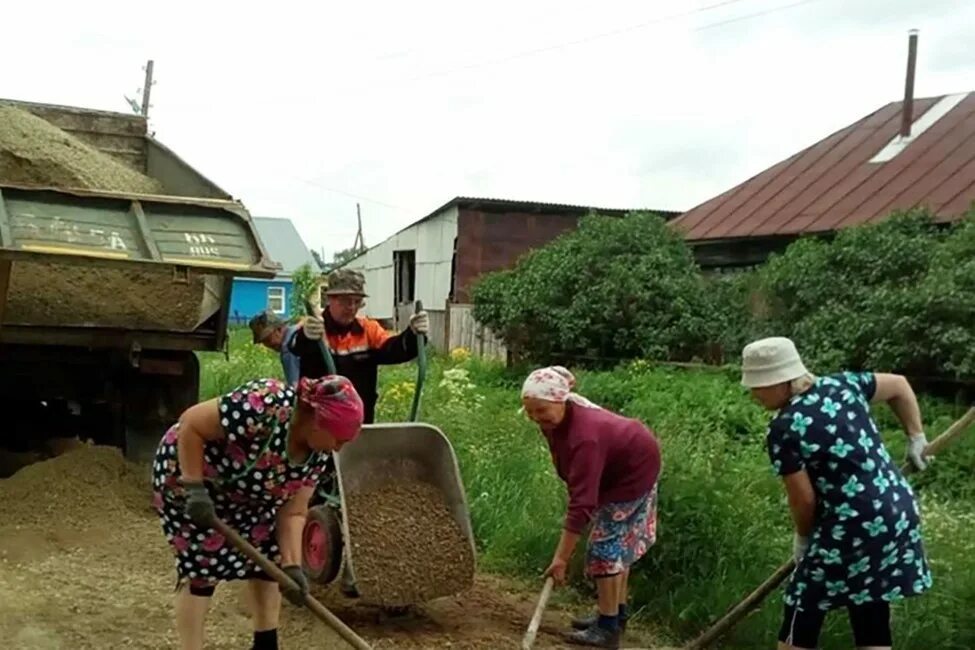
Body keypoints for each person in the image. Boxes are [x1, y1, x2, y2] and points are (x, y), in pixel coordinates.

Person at [741, 336, 933, 650]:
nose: (753, 393)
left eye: (758, 385)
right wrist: (916, 435)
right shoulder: (843, 385)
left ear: (781, 381)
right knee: (869, 600)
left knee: (802, 603)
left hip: (852, 523)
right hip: (897, 511)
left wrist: (803, 539)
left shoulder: (784, 428)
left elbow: (803, 499)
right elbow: (899, 385)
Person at [151, 375, 365, 650]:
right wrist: (194, 488)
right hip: (189, 475)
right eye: (339, 439)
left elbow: (293, 512)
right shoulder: (265, 404)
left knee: (269, 561)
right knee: (201, 567)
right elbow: (191, 424)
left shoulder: (318, 454)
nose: (338, 448)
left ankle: (266, 645)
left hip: (250, 493)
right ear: (317, 421)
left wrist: (291, 567)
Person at [521, 366, 661, 649]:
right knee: (615, 547)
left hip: (631, 476)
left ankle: (608, 629)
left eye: (541, 411)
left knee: (605, 549)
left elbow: (582, 504)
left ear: (561, 400)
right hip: (624, 466)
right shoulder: (561, 416)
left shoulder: (585, 436)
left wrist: (561, 559)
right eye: (530, 411)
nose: (536, 418)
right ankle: (614, 615)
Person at [289, 268, 429, 424]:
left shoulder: (368, 330)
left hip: (359, 423)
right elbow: (295, 346)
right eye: (346, 301)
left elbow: (394, 350)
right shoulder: (313, 328)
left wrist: (413, 334)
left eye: (357, 302)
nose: (352, 307)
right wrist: (307, 336)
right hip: (317, 424)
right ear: (329, 299)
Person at [249, 311, 303, 386]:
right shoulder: (298, 331)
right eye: (263, 342)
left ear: (279, 329)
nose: (267, 345)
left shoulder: (288, 349)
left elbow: (295, 386)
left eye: (268, 339)